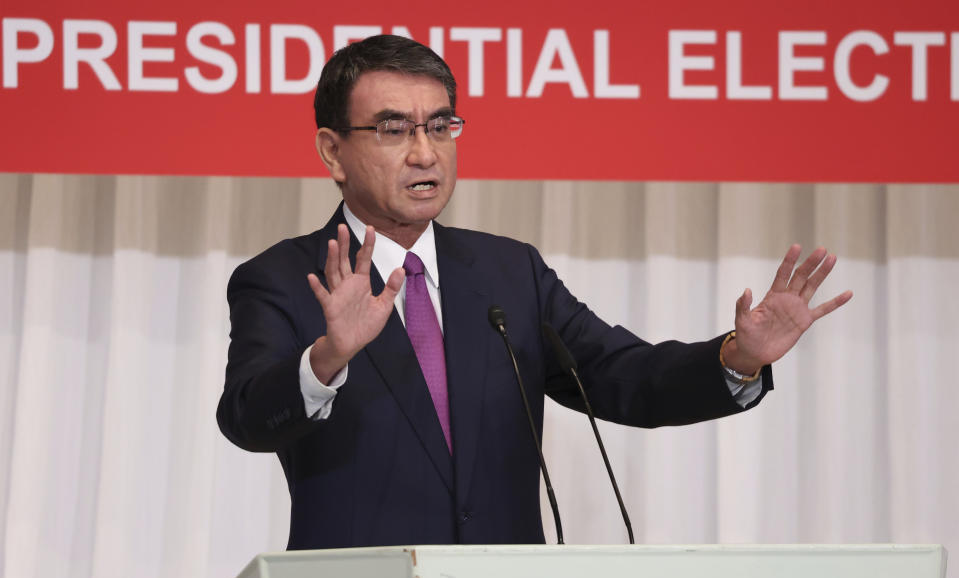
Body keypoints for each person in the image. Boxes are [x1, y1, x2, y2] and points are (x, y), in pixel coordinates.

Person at [216, 35, 852, 550]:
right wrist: (327, 359)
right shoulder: (282, 279)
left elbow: (619, 374)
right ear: (333, 151)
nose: (424, 153)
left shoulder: (507, 272)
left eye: (440, 126)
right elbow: (245, 416)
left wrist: (739, 357)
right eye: (393, 130)